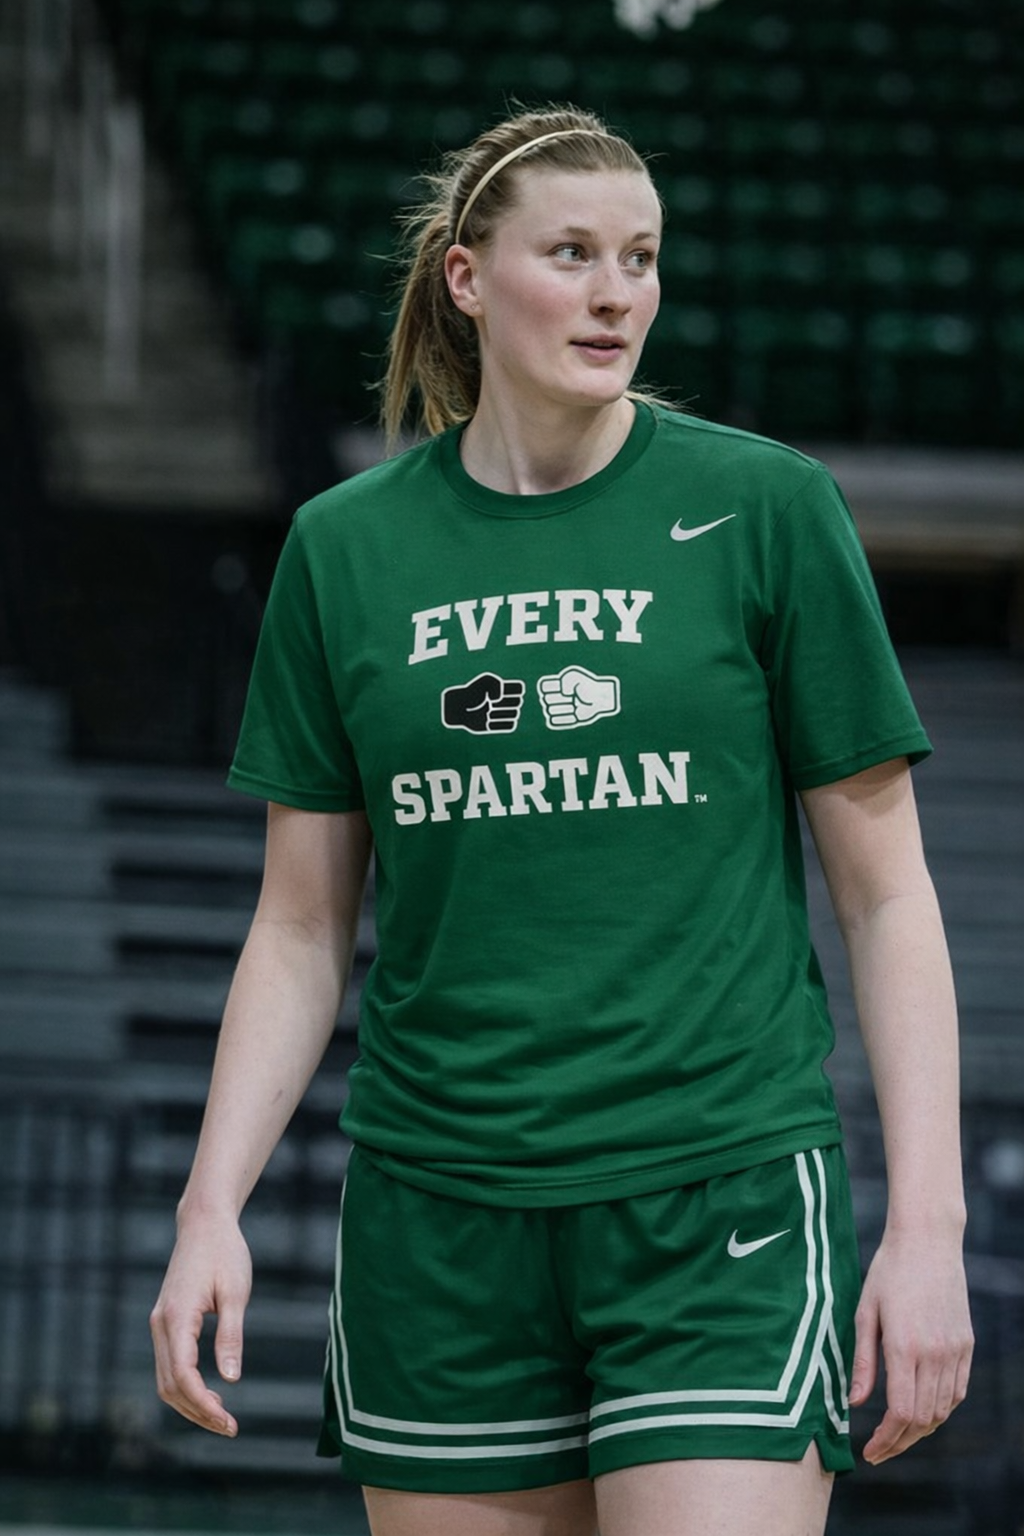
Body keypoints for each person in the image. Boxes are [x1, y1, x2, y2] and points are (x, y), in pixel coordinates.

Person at [150, 104, 974, 1536]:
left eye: (642, 258)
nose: (616, 294)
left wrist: (928, 1226)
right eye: (575, 252)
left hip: (712, 1195)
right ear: (468, 278)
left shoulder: (763, 509)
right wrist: (210, 1205)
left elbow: (891, 896)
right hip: (439, 1214)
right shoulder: (346, 550)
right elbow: (298, 924)